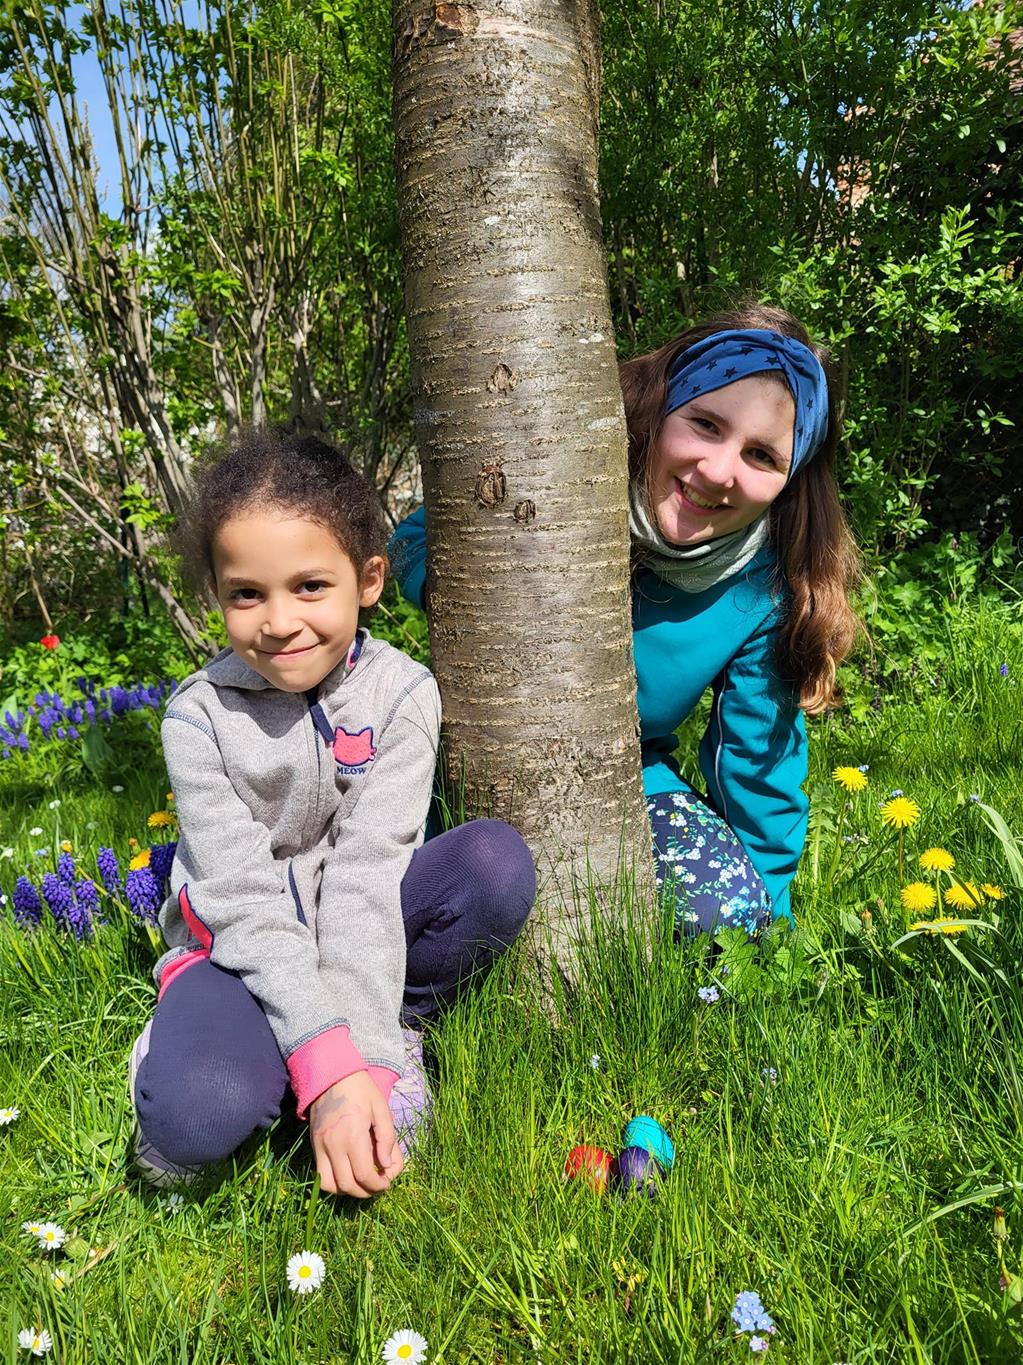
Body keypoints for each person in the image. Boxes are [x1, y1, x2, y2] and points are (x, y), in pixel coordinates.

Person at [130, 432, 536, 1197]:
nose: (279, 621)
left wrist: (361, 1062)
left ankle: (393, 1031)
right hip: (237, 952)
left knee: (493, 864)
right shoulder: (197, 717)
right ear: (218, 596)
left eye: (310, 585)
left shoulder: (403, 694)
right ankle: (203, 1041)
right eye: (247, 593)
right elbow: (241, 902)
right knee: (194, 1125)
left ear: (369, 578)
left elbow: (367, 875)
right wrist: (326, 1067)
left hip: (365, 921)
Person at [390, 304, 860, 937]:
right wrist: (482, 605)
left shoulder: (765, 589)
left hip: (625, 774)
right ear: (662, 409)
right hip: (463, 748)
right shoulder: (570, 476)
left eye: (761, 456)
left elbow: (757, 765)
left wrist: (764, 935)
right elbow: (417, 537)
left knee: (728, 914)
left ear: (791, 477)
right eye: (705, 424)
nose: (718, 471)